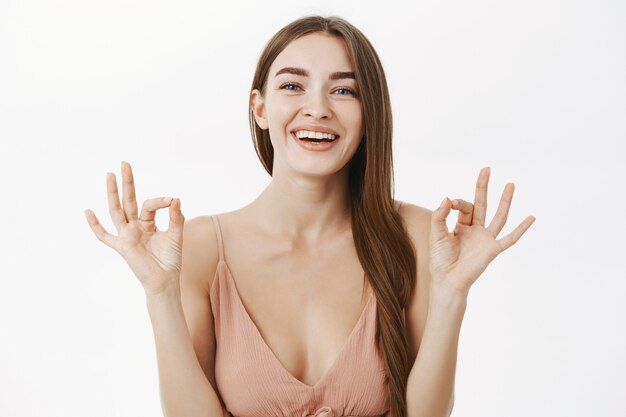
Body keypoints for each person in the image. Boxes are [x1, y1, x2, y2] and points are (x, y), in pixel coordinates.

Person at [84, 15, 535, 417]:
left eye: (343, 90)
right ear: (260, 109)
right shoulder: (202, 247)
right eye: (292, 86)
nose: (317, 108)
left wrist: (452, 294)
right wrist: (159, 293)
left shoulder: (419, 236)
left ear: (368, 113)